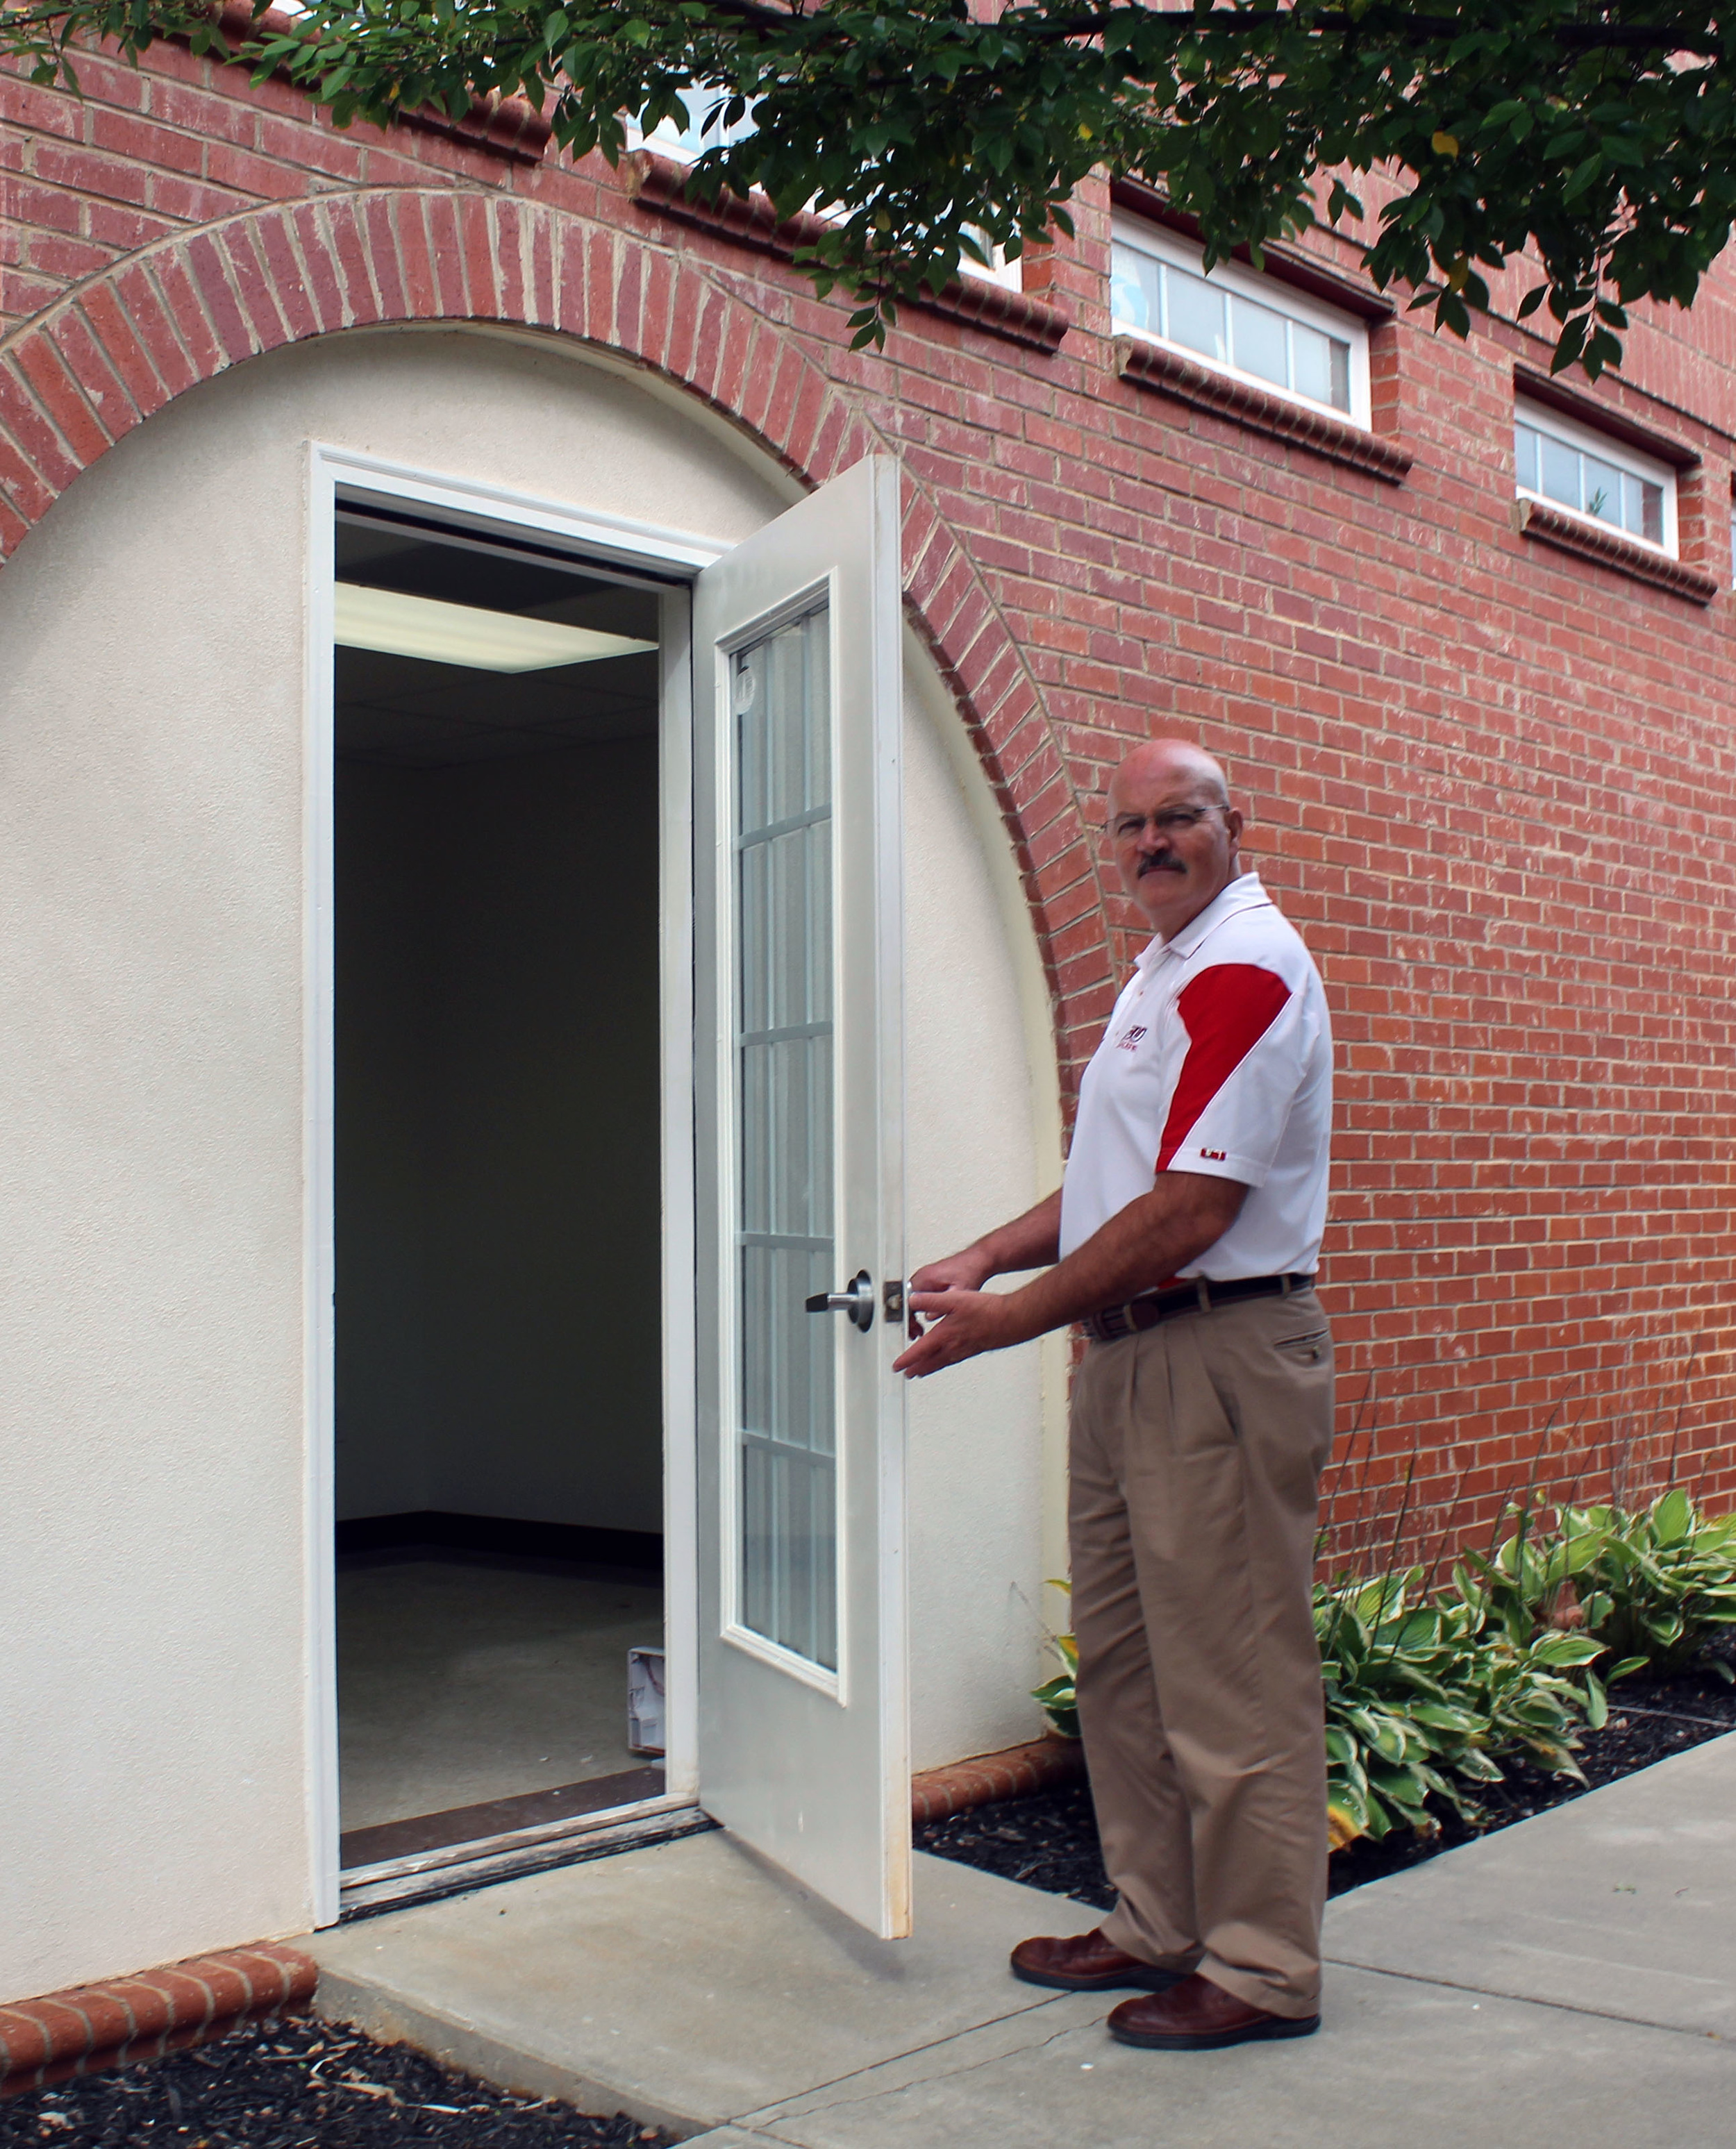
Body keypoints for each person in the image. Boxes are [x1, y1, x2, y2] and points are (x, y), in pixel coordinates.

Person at [893, 737, 1335, 2052]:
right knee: (1131, 1670)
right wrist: (986, 1253)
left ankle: (1260, 1971)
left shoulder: (1249, 968)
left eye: (1177, 818)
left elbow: (1194, 1210)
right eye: (1130, 825)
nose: (1150, 843)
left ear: (1232, 826)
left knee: (1234, 1677)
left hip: (1218, 1352)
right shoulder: (1169, 968)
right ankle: (1157, 1919)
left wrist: (1008, 1321)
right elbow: (1123, 1185)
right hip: (1131, 1353)